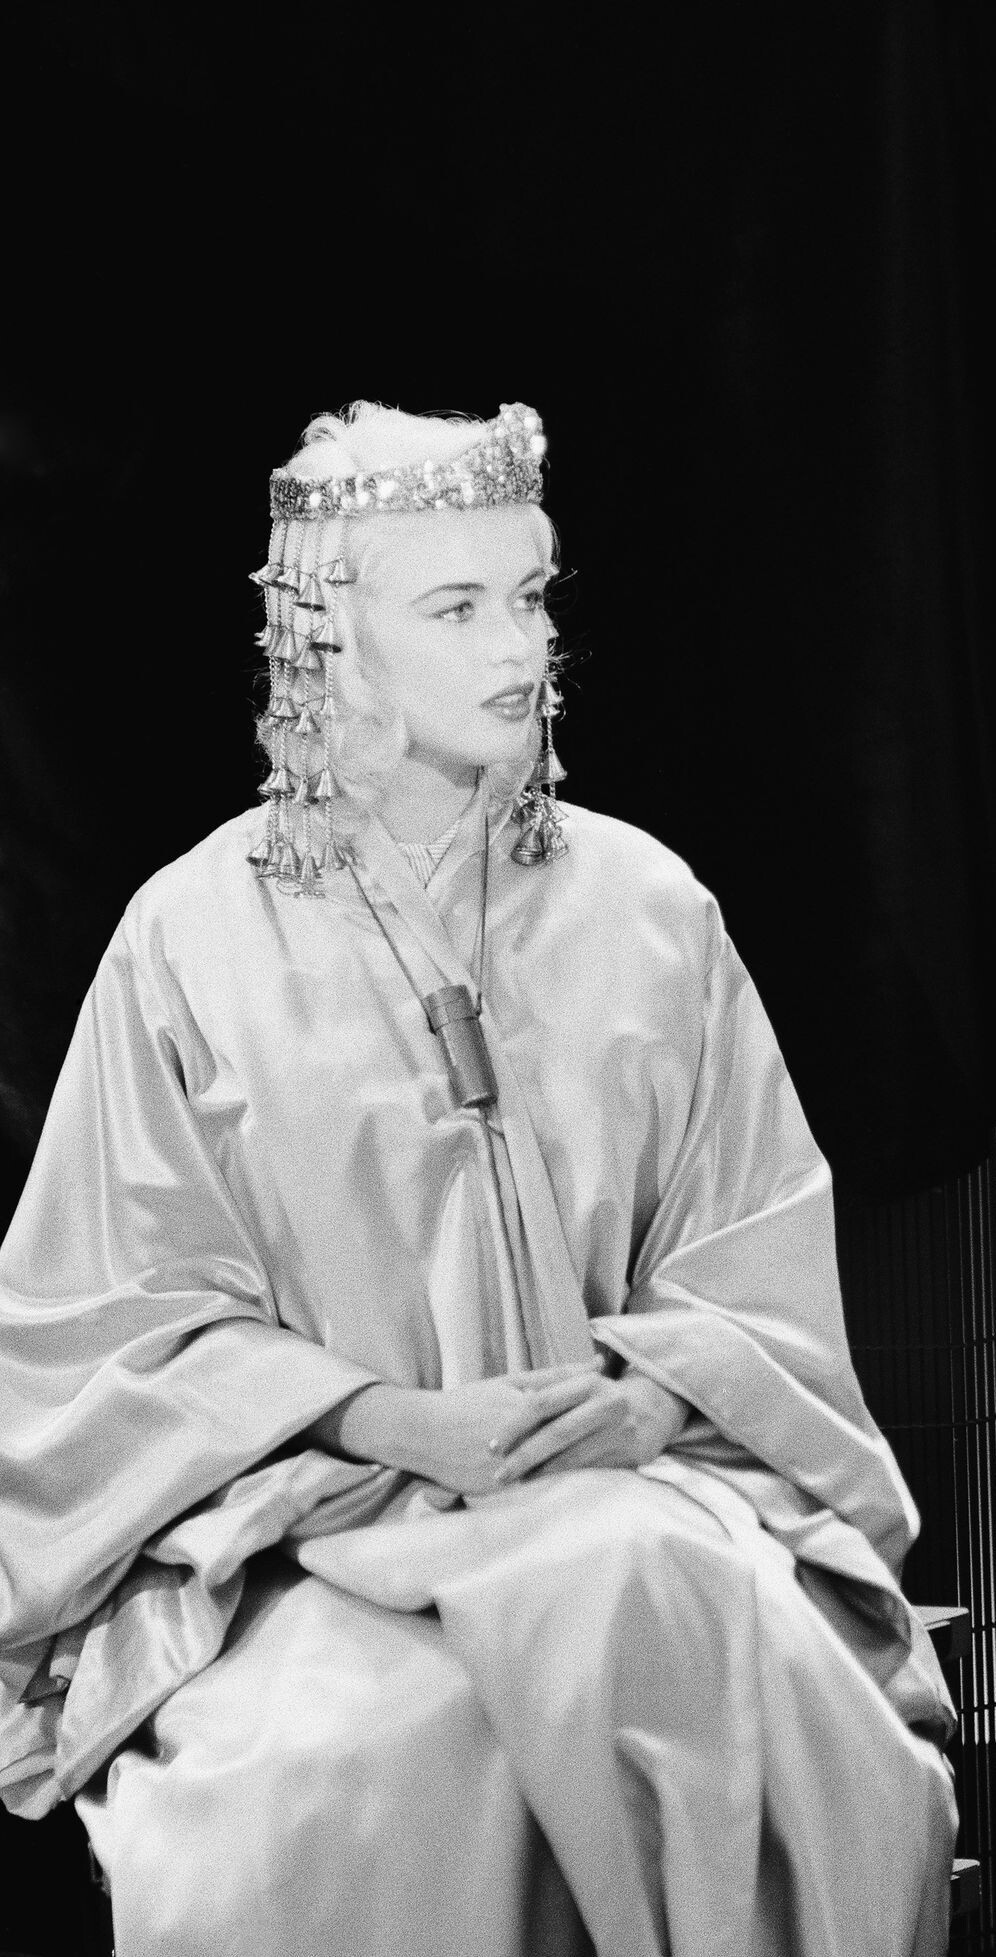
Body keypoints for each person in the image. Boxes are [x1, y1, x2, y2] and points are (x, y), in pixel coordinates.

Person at [0, 400, 960, 1957]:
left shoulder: (652, 911)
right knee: (341, 1775)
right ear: (333, 638)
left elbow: (752, 1246)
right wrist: (383, 1417)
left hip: (643, 1487)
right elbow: (105, 1320)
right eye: (456, 607)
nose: (518, 645)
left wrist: (646, 1398)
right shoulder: (189, 940)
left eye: (529, 594)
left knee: (750, 1684)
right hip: (316, 1539)